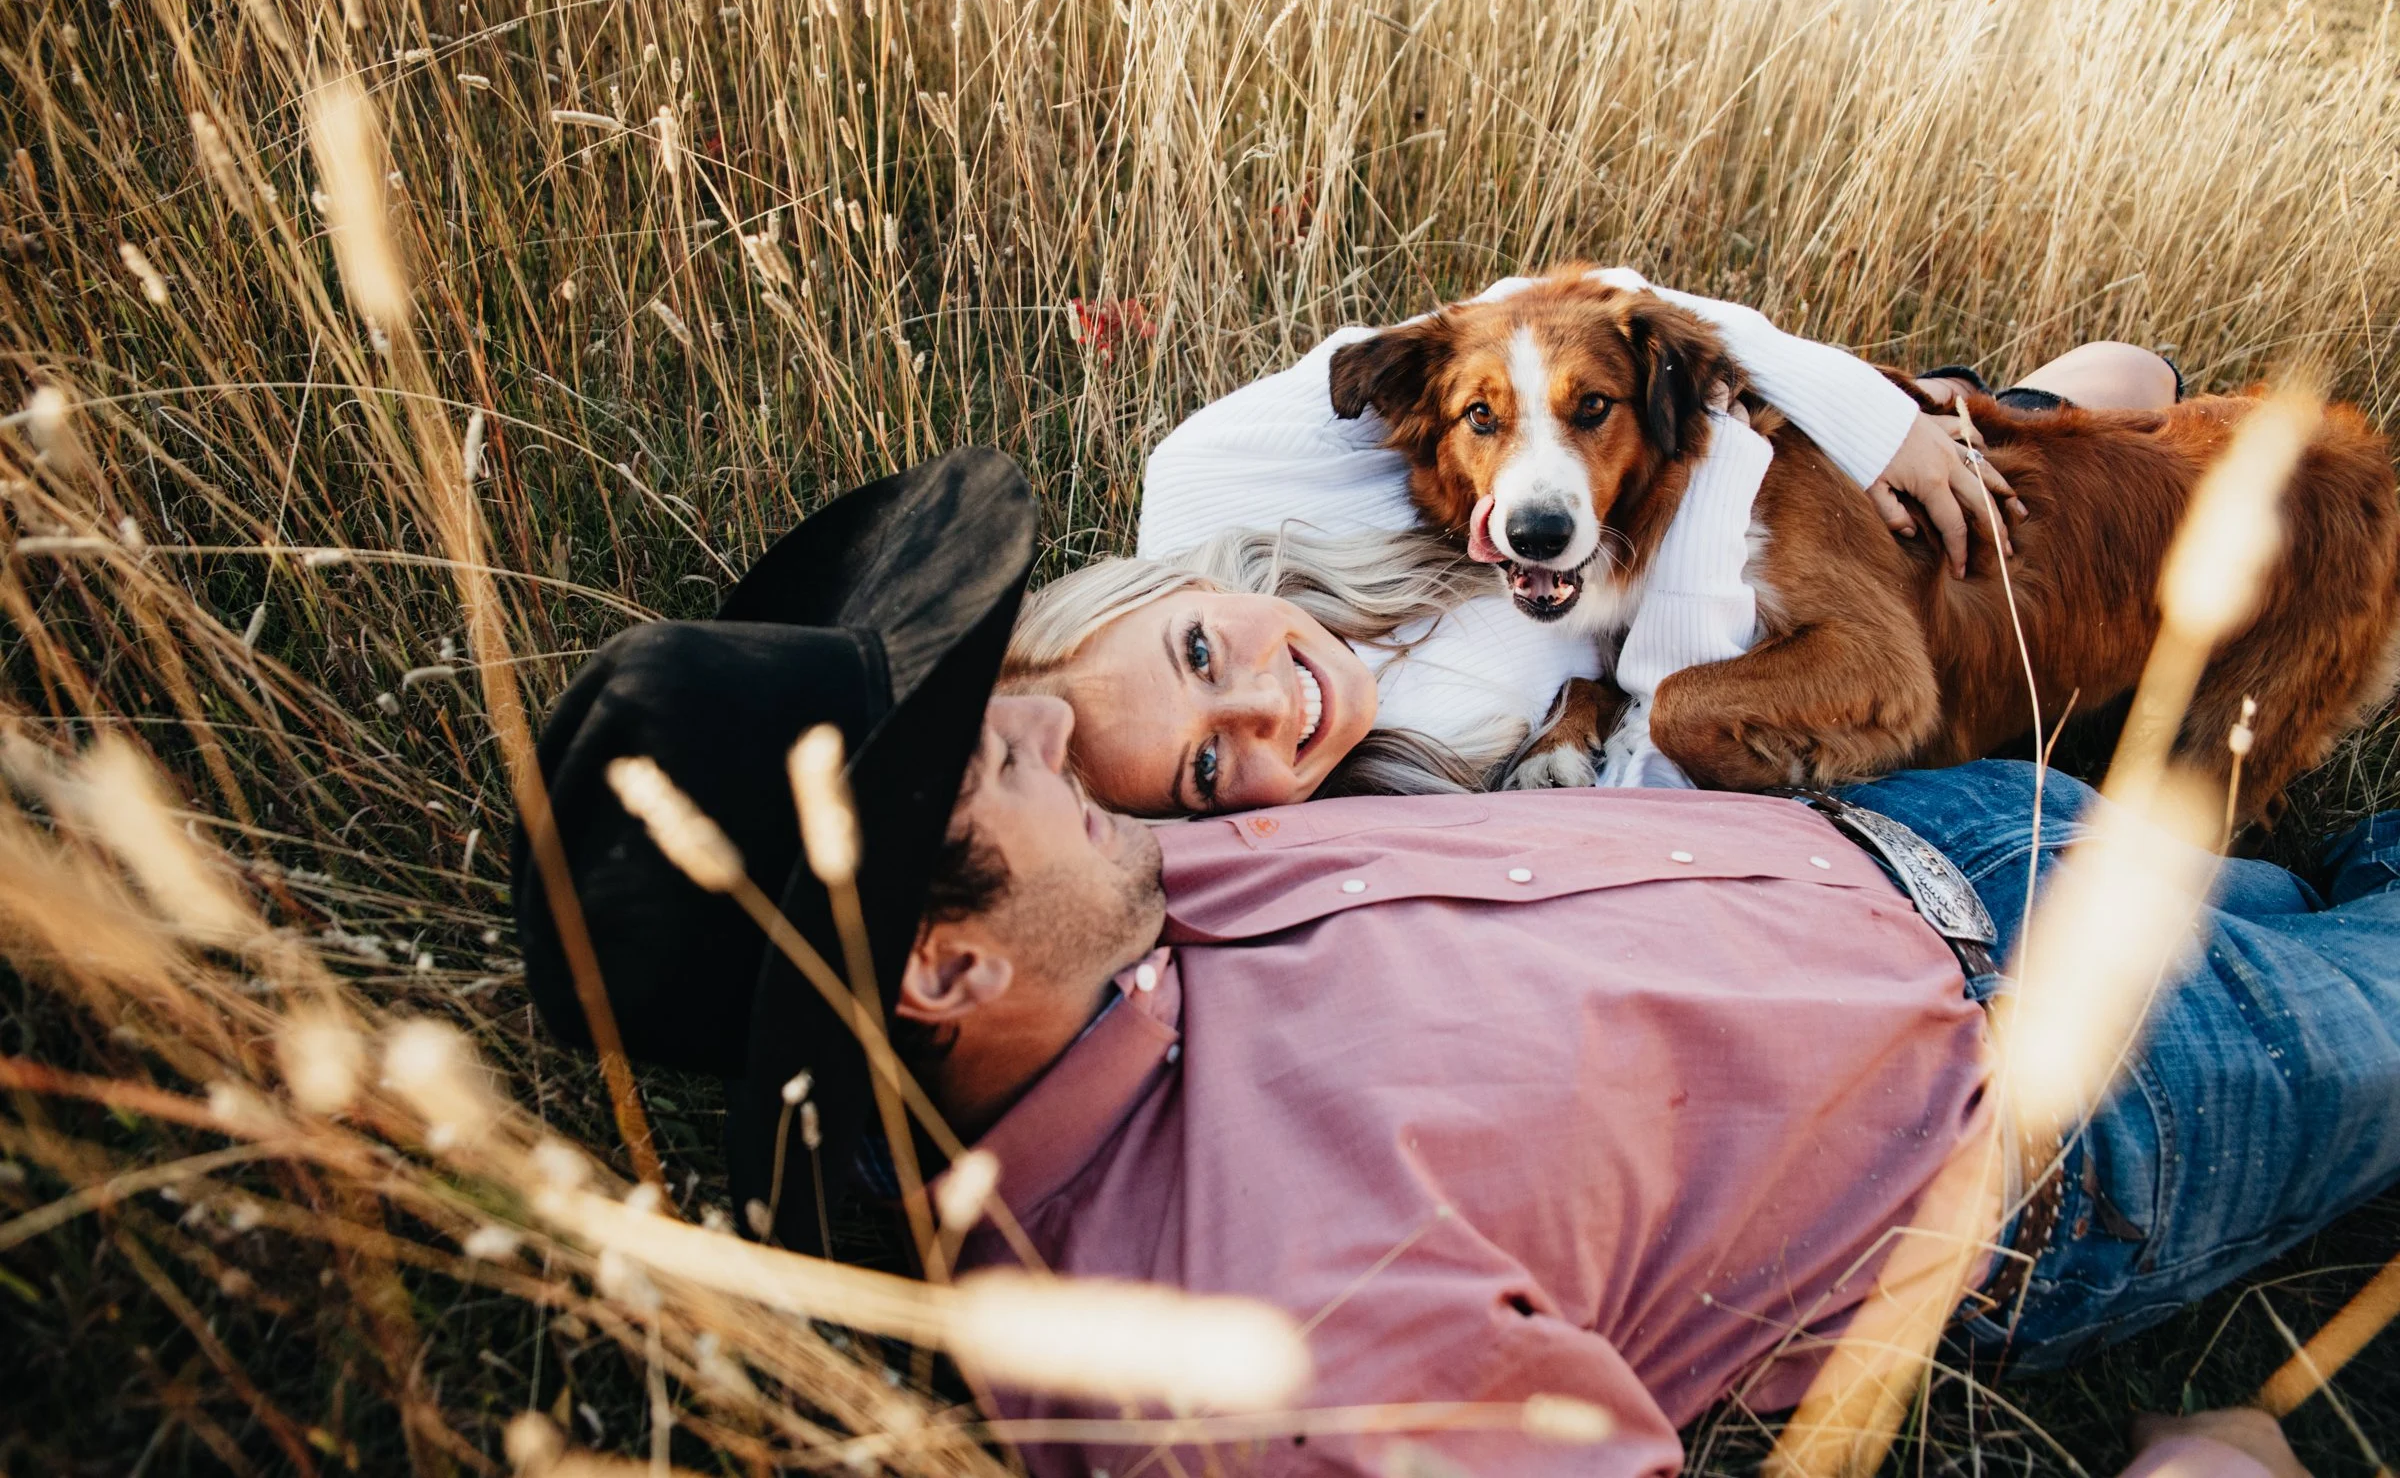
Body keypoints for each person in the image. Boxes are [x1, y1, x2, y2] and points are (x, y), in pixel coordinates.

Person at [518, 450, 2380, 1478]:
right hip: (2090, 1111)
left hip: (1938, 830)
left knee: (2324, 888)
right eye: (979, 762)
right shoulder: (1249, 1354)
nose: (1034, 731)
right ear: (938, 970)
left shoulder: (1108, 894)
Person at [1004, 269, 2182, 813]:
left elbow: (1569, 305)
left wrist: (1874, 419)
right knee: (2120, 393)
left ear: (1149, 592)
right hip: (1743, 585)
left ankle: (1989, 397)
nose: (1266, 703)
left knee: (2077, 408)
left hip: (1770, 444)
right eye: (1208, 767)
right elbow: (1629, 716)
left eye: (1200, 653)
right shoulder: (1383, 785)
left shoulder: (1211, 485)